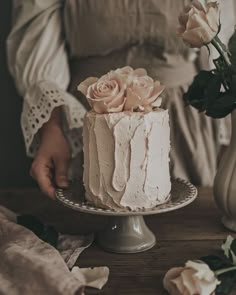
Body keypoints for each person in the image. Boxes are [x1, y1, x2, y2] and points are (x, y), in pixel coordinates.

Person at [7, 0, 235, 199]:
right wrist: (52, 127)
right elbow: (37, 32)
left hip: (184, 123)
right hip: (88, 120)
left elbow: (221, 41)